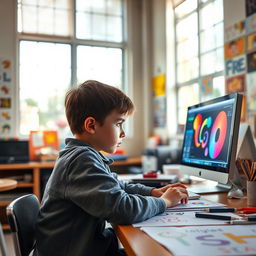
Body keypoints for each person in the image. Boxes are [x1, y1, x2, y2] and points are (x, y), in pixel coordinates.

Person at [33, 80, 188, 256]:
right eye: (118, 123)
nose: (123, 133)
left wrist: (153, 192)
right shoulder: (81, 160)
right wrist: (165, 202)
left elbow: (118, 186)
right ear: (91, 125)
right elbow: (122, 209)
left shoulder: (85, 155)